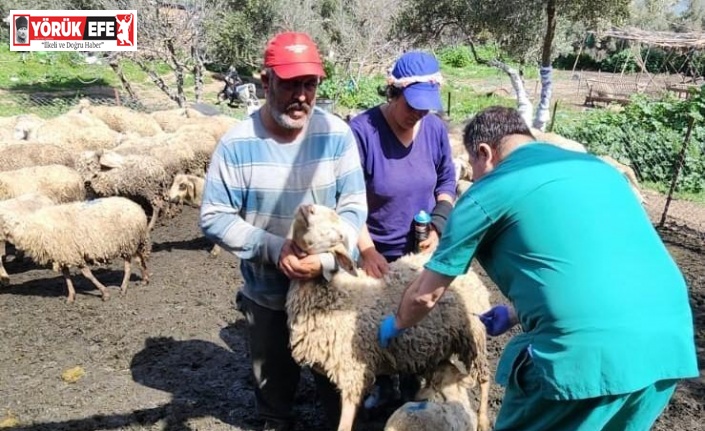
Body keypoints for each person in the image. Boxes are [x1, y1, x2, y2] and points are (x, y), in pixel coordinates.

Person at [377, 106, 699, 430]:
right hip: (668, 343)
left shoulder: (488, 191)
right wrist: (516, 314)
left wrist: (394, 325)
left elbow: (424, 296)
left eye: (473, 167)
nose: (473, 176)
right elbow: (588, 265)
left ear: (484, 153)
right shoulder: (596, 169)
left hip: (583, 353)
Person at [200, 31, 367, 431]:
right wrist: (275, 249)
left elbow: (354, 207)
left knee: (338, 388)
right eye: (291, 83)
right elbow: (215, 215)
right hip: (268, 294)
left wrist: (327, 260)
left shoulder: (336, 135)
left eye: (309, 84)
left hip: (333, 292)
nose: (302, 95)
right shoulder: (237, 145)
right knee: (273, 393)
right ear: (265, 82)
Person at [348, 51, 456, 411]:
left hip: (418, 249)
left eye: (426, 108)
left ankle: (412, 381)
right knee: (375, 321)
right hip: (375, 248)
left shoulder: (435, 129)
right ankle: (381, 384)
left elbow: (447, 181)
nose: (418, 114)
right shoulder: (362, 132)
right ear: (393, 92)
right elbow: (347, 198)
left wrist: (438, 226)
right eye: (412, 106)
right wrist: (365, 250)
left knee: (417, 319)